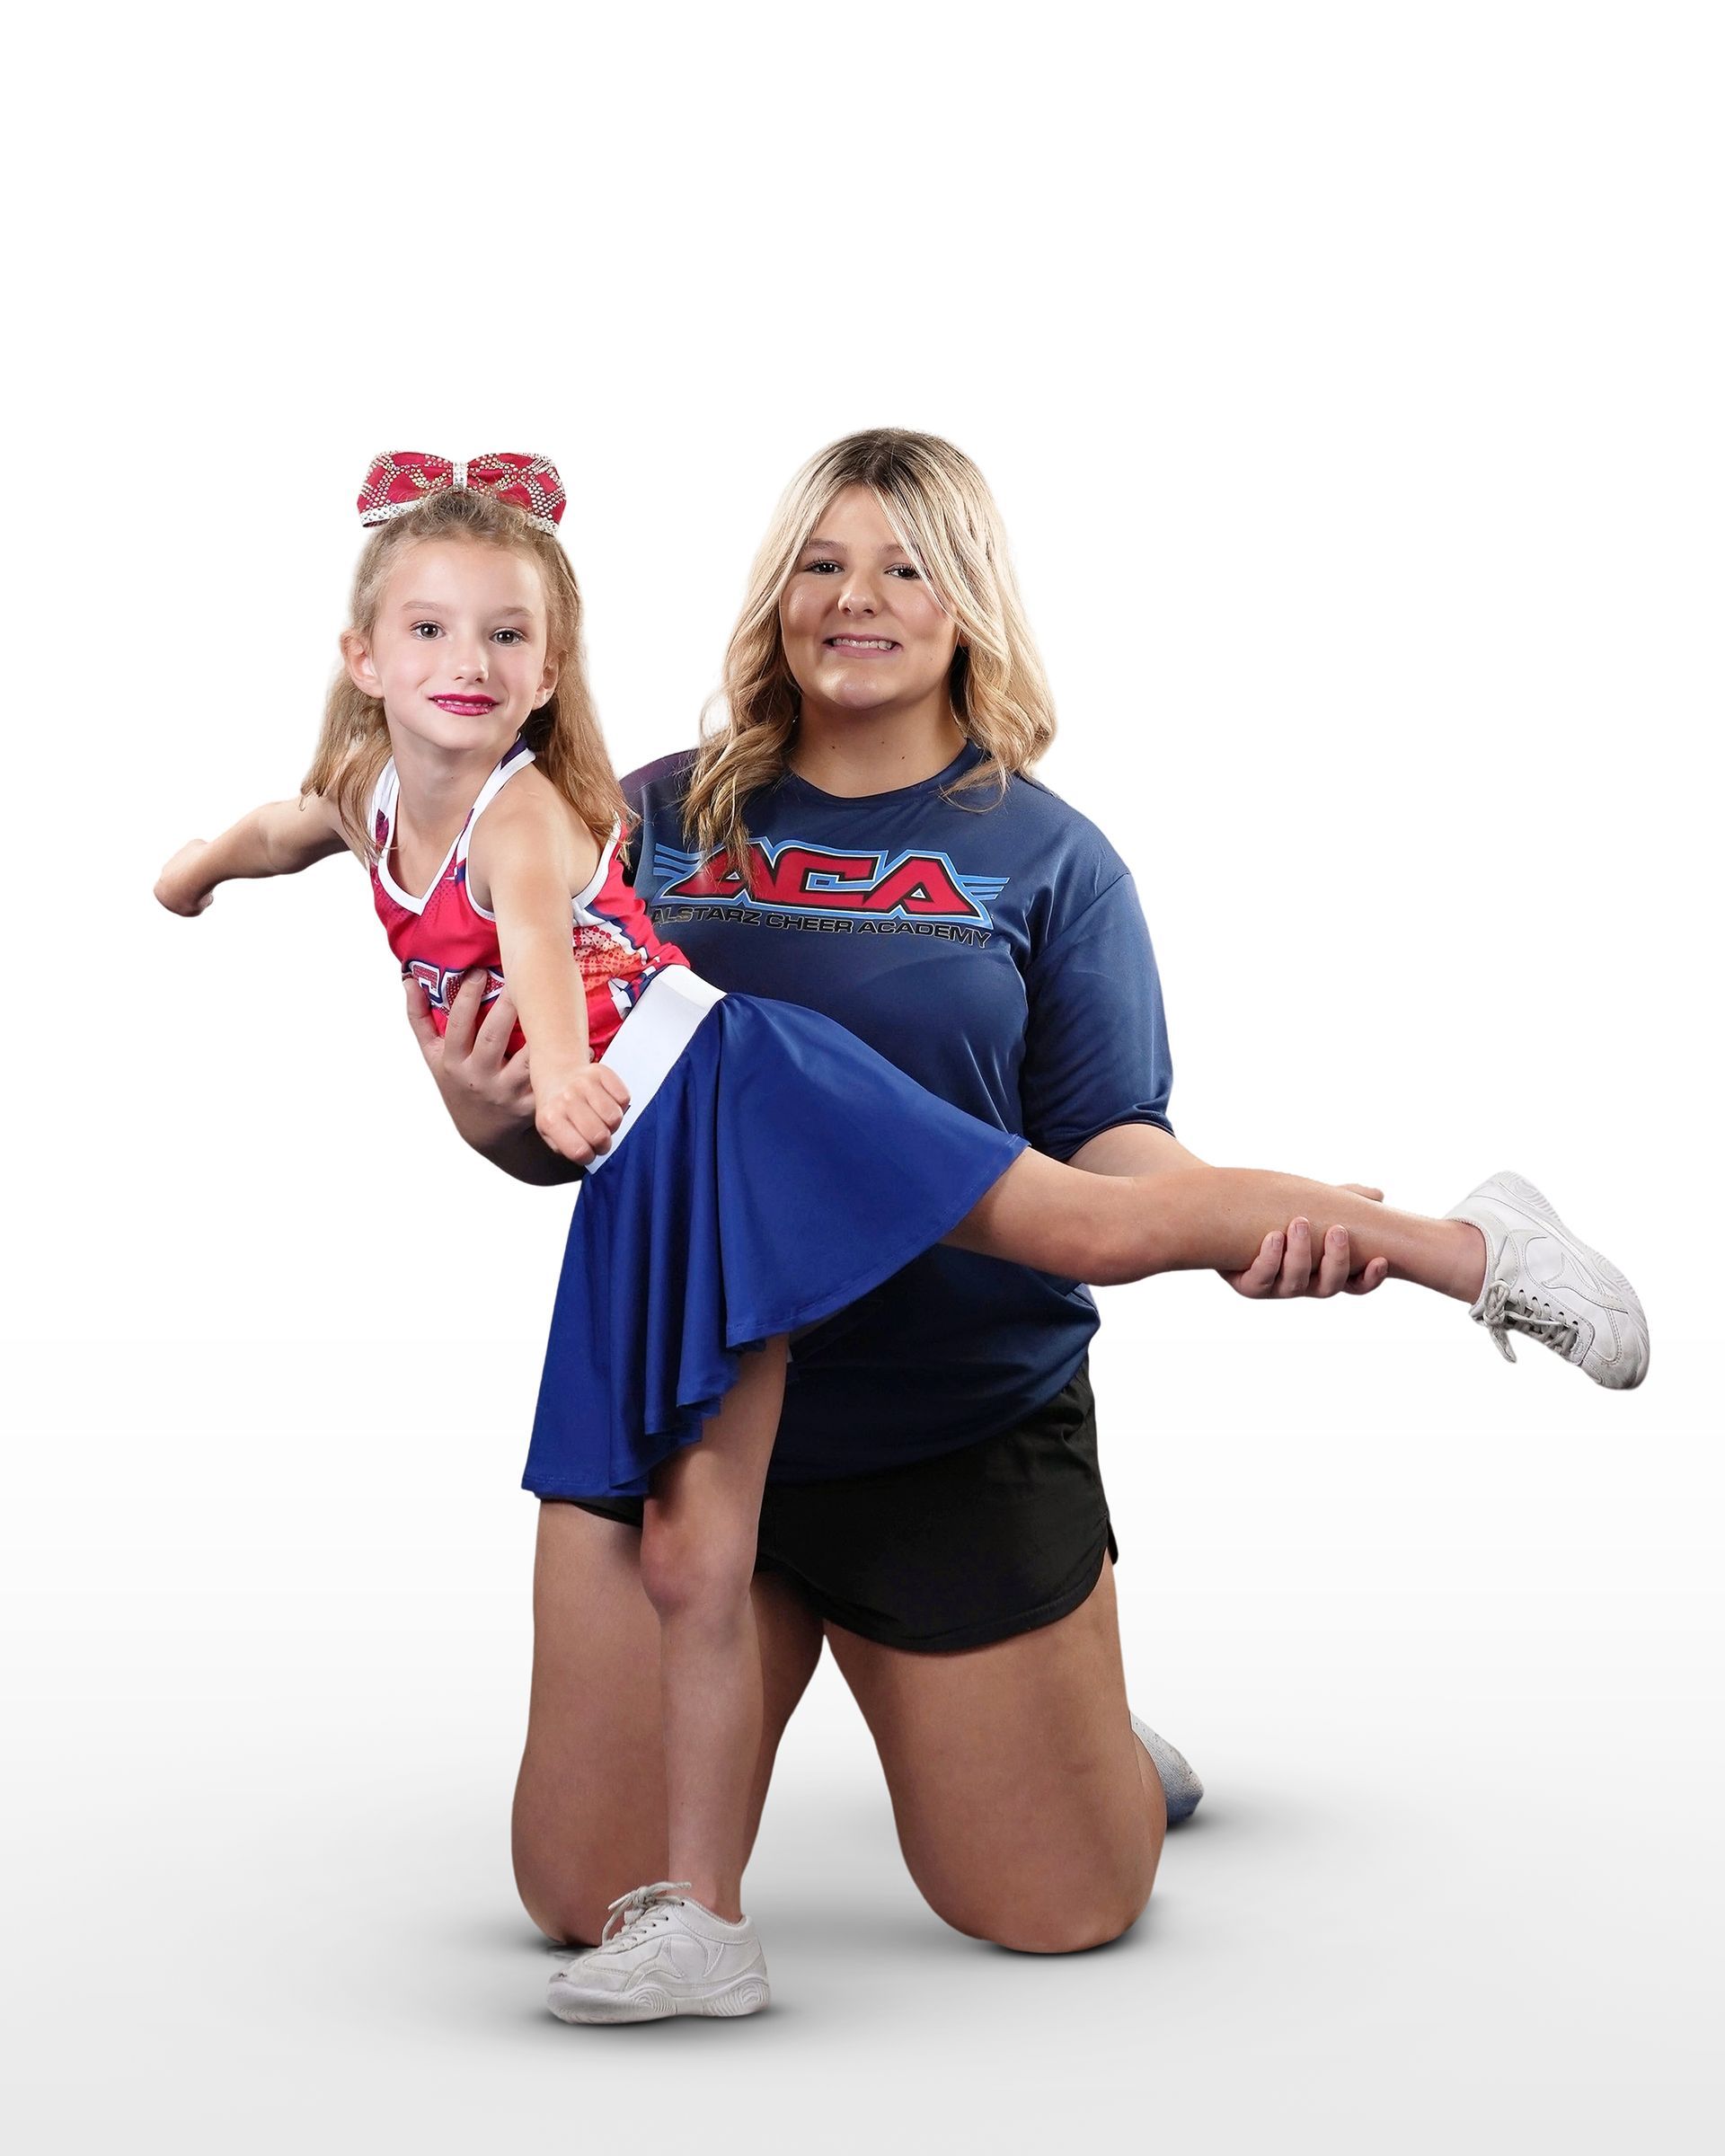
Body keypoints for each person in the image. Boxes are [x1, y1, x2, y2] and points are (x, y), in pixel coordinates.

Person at [157, 438, 1647, 2028]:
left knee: (1061, 1894)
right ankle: (717, 1908)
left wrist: (1214, 1224)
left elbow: (1104, 1141)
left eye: (907, 564)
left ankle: (1463, 1247)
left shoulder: (1049, 855)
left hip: (938, 1402)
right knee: (575, 1894)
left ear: (972, 604)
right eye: (820, 562)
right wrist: (470, 1093)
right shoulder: (638, 804)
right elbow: (476, 1020)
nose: (856, 598)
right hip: (698, 1308)